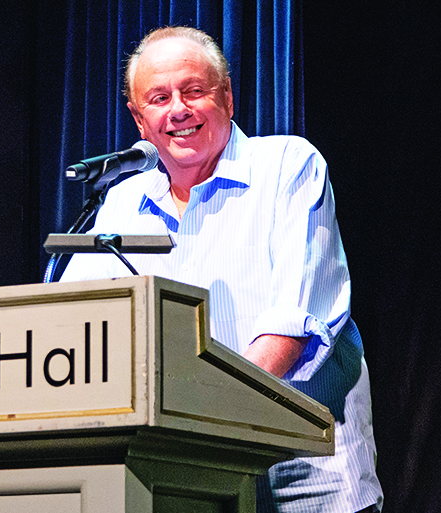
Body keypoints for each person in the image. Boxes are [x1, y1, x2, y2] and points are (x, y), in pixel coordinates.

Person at [60, 27, 383, 513]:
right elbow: (77, 325)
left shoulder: (287, 167)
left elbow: (291, 328)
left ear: (227, 97)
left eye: (194, 91)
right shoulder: (124, 199)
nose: (178, 110)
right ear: (139, 120)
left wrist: (203, 424)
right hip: (180, 474)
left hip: (302, 472)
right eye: (159, 98)